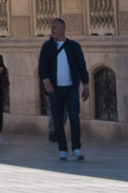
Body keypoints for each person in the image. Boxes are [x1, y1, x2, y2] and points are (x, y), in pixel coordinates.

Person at [37, 18, 89, 161]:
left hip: (71, 88)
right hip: (55, 90)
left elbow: (81, 66)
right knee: (58, 119)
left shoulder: (74, 46)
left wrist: (86, 84)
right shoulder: (47, 47)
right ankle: (62, 149)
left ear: (62, 28)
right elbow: (42, 67)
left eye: (54, 27)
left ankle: (77, 148)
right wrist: (46, 81)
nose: (52, 30)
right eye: (51, 27)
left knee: (74, 117)